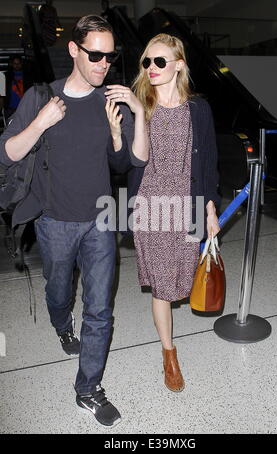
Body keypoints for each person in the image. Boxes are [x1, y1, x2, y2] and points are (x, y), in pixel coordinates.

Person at [0, 15, 148, 427]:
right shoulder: (42, 97)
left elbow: (132, 160)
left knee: (100, 308)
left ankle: (88, 389)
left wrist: (131, 119)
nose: (104, 63)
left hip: (101, 221)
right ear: (73, 51)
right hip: (54, 223)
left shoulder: (111, 103)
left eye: (110, 55)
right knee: (59, 290)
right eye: (95, 54)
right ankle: (62, 325)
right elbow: (7, 153)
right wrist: (40, 122)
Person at [130, 33, 220, 392]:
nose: (151, 68)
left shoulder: (198, 109)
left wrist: (210, 209)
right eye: (146, 62)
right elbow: (129, 160)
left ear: (179, 64)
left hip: (187, 204)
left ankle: (168, 349)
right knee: (163, 287)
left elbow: (210, 163)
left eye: (160, 61)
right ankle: (169, 355)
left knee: (180, 280)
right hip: (151, 206)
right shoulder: (141, 105)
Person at [3, 56, 24, 121]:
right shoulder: (6, 76)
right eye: (15, 63)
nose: (17, 65)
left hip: (23, 107)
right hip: (10, 108)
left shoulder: (27, 76)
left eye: (18, 63)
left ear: (21, 64)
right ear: (11, 64)